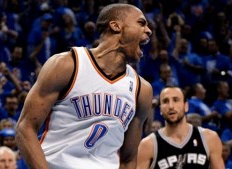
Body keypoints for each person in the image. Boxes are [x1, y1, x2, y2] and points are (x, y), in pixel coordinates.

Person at [16, 3, 153, 169]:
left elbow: (128, 160)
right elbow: (25, 128)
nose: (148, 30)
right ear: (115, 25)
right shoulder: (67, 65)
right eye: (141, 23)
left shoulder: (142, 90)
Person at [137, 86, 224, 169]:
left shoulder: (209, 138)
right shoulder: (148, 145)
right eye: (165, 101)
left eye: (176, 100)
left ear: (186, 106)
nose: (171, 106)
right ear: (160, 110)